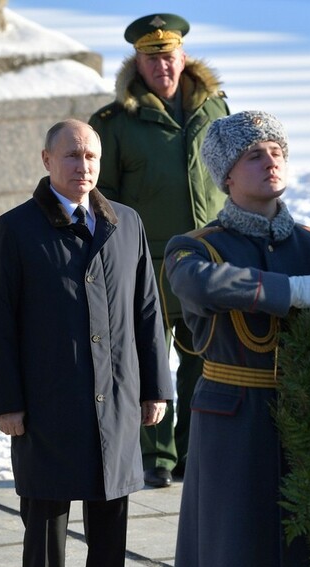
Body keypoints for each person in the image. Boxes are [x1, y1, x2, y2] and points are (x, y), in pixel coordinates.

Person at [0, 119, 173, 567]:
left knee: (111, 512)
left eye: (90, 155)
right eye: (71, 156)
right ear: (46, 160)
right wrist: (7, 403)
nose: (83, 166)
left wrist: (155, 386)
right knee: (45, 519)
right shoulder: (13, 230)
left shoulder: (125, 223)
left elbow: (147, 311)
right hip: (47, 401)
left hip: (116, 397)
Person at [164, 111, 310, 567]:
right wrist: (289, 291)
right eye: (253, 155)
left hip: (298, 420)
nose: (269, 162)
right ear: (225, 177)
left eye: (275, 151)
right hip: (231, 423)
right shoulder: (197, 247)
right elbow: (197, 285)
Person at [89, 13, 230, 488]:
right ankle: (157, 457)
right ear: (138, 64)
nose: (162, 68)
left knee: (202, 359)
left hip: (209, 259)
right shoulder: (115, 123)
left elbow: (232, 179)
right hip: (145, 261)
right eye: (151, 61)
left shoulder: (215, 109)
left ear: (183, 57)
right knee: (148, 359)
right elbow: (101, 195)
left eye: (168, 57)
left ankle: (192, 452)